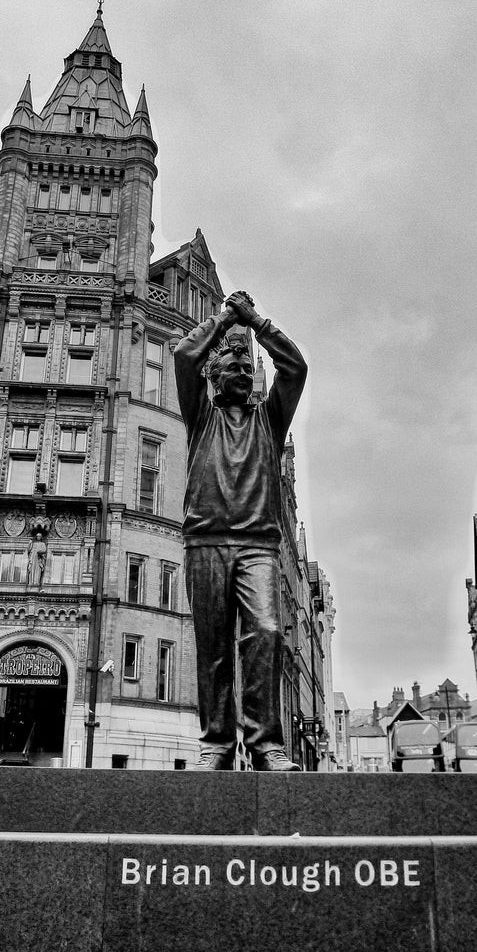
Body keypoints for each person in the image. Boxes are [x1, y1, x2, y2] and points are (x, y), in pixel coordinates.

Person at [174, 290, 308, 772]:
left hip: (258, 546)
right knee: (212, 644)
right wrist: (226, 317)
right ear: (213, 377)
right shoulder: (200, 417)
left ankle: (265, 742)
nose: (244, 369)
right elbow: (184, 353)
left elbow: (296, 368)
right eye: (233, 362)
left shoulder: (269, 420)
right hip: (205, 540)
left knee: (266, 633)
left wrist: (257, 322)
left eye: (248, 364)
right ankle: (217, 742)